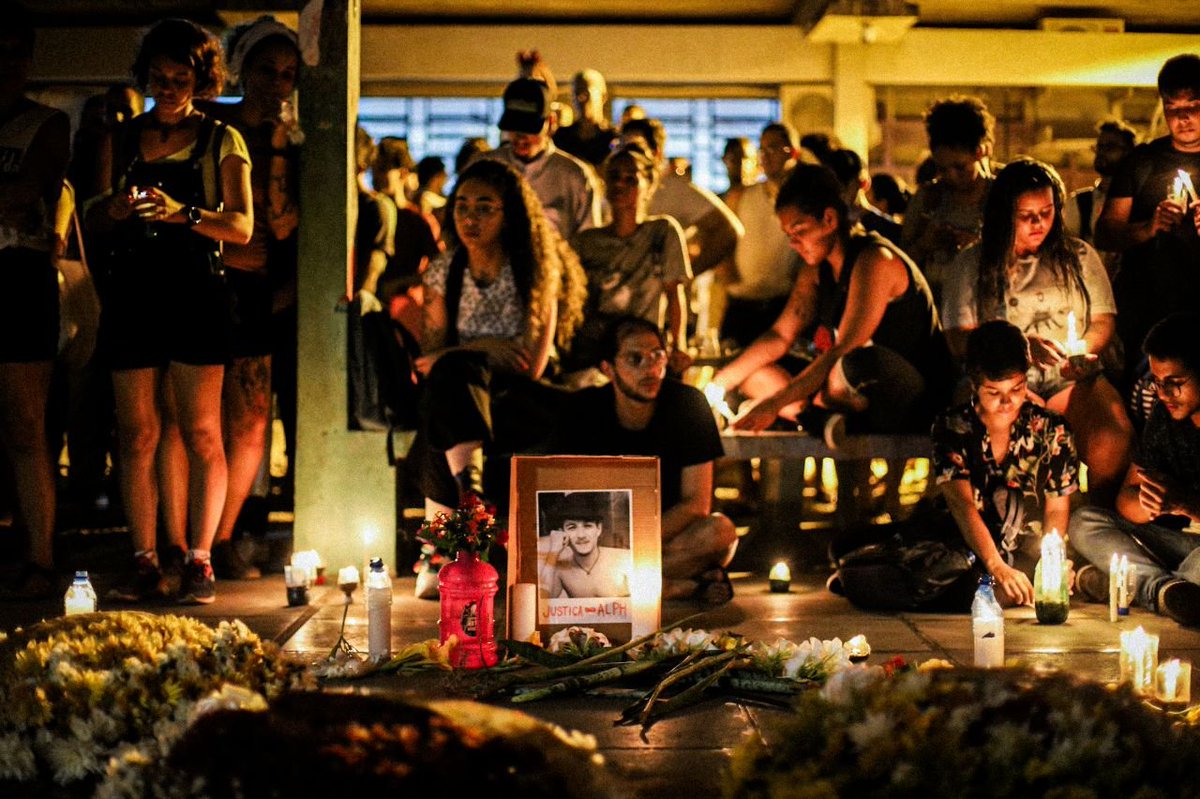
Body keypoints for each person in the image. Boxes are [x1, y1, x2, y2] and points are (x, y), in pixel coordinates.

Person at [86, 18, 253, 605]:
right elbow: (92, 215)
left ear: (201, 80)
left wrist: (184, 212)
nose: (169, 88)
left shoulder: (221, 139)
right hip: (132, 290)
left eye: (181, 78)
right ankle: (145, 557)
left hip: (195, 291)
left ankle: (200, 558)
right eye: (159, 77)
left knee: (201, 429)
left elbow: (241, 225)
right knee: (137, 433)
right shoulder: (122, 137)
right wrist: (115, 209)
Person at [940, 157, 1133, 505]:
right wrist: (1018, 349)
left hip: (1070, 380)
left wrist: (1082, 352)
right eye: (1025, 215)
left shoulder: (1079, 257)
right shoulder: (971, 265)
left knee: (1110, 437)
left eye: (1046, 212)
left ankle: (1098, 520)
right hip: (1000, 384)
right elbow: (958, 339)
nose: (1038, 223)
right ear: (1003, 214)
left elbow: (1103, 320)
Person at [709, 163, 952, 437]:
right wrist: (719, 382)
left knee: (849, 366)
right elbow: (780, 335)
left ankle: (818, 416)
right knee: (753, 375)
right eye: (789, 236)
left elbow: (844, 348)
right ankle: (822, 420)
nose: (793, 244)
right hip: (843, 389)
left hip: (901, 390)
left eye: (799, 231)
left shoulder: (874, 260)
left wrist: (775, 403)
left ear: (829, 219)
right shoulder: (815, 270)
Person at [185, 15, 300, 580]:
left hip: (258, 287)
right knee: (195, 420)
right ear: (242, 70)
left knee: (251, 423)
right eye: (266, 70)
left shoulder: (295, 143)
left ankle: (222, 536)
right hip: (201, 279)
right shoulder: (211, 125)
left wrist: (278, 149)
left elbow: (283, 224)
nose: (277, 83)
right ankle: (187, 539)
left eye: (288, 74)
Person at [412, 158, 587, 514]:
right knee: (452, 380)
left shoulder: (534, 269)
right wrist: (487, 349)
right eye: (461, 207)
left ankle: (451, 524)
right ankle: (470, 492)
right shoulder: (445, 270)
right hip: (459, 390)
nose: (470, 219)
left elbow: (531, 364)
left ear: (508, 215)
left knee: (449, 394)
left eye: (484, 208)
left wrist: (462, 353)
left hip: (519, 396)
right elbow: (432, 360)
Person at [549, 317, 738, 604]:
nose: (650, 369)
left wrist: (632, 548)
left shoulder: (690, 405)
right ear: (608, 368)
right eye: (634, 359)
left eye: (657, 356)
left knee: (719, 532)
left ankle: (615, 584)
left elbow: (696, 503)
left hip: (666, 536)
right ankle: (677, 587)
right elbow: (564, 496)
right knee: (559, 557)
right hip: (598, 539)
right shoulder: (582, 411)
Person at [932, 321, 1080, 607]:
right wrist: (996, 566)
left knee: (1029, 583)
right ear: (973, 385)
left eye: (1017, 388)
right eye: (993, 392)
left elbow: (1057, 506)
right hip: (970, 546)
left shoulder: (1052, 429)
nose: (1007, 401)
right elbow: (962, 505)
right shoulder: (953, 427)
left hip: (1026, 549)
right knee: (962, 582)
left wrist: (1051, 561)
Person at [0, 7, 70, 599]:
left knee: (27, 424)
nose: (7, 64)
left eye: (17, 53)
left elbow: (27, 192)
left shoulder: (45, 123)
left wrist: (18, 199)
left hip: (19, 277)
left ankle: (41, 558)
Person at [1071, 313, 1200, 626]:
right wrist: (1152, 502)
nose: (1164, 394)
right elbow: (1125, 501)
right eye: (1157, 382)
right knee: (1085, 523)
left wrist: (1186, 504)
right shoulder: (1164, 415)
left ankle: (1131, 585)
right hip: (1177, 543)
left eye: (1175, 383)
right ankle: (1164, 589)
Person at [1096, 54, 1200, 390]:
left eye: (1193, 106)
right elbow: (1106, 233)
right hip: (1147, 314)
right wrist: (1148, 227)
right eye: (1172, 107)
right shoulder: (1141, 162)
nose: (1182, 118)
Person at [567, 144, 691, 381]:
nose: (620, 185)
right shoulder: (586, 242)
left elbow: (674, 293)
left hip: (641, 350)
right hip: (593, 352)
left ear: (648, 185)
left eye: (630, 179)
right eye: (614, 177)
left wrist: (678, 345)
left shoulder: (662, 233)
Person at [479, 76, 602, 241]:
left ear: (551, 122)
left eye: (529, 128)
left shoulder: (575, 177)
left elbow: (590, 242)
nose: (521, 137)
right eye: (514, 127)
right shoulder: (484, 168)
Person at [900, 95, 997, 301]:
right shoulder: (927, 199)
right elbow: (900, 264)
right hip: (934, 309)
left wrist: (979, 247)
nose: (951, 176)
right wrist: (925, 244)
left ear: (979, 152)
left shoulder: (1000, 196)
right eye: (942, 169)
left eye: (960, 167)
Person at [717, 122, 805, 350]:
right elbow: (722, 239)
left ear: (793, 153)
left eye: (773, 149)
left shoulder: (803, 199)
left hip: (782, 303)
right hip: (742, 303)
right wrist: (727, 274)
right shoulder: (741, 195)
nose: (765, 156)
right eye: (762, 149)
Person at [1063, 119, 1137, 277]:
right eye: (1099, 146)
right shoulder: (1079, 203)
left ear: (1129, 153)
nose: (1101, 152)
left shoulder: (1139, 202)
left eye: (1110, 147)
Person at [539, 492, 630, 598]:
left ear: (599, 529)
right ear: (562, 532)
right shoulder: (561, 569)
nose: (581, 535)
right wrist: (553, 551)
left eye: (587, 526)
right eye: (572, 527)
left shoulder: (624, 559)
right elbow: (543, 600)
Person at [825, 147, 903, 244]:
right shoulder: (889, 228)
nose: (840, 191)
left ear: (863, 182)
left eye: (844, 183)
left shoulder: (888, 229)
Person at [553, 68, 618, 168]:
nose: (580, 99)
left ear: (603, 96)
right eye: (576, 94)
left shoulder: (613, 138)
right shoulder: (561, 137)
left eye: (585, 93)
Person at [414, 155, 448, 224]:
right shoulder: (426, 197)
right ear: (435, 177)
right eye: (444, 175)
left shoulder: (416, 195)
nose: (446, 178)